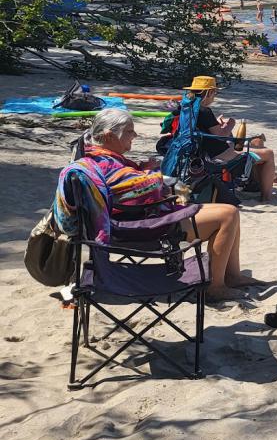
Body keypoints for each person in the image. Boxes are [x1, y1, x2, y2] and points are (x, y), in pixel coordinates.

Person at [65, 109, 249, 300]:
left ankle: (232, 276)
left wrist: (140, 172)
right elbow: (141, 191)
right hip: (138, 228)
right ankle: (215, 287)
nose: (134, 135)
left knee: (231, 212)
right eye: (129, 131)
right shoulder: (106, 164)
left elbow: (123, 187)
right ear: (109, 135)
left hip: (129, 220)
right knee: (227, 215)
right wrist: (154, 178)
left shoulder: (95, 158)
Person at [184, 75, 277, 203]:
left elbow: (204, 128)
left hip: (200, 151)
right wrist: (231, 123)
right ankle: (267, 197)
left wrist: (216, 123)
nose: (215, 96)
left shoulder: (187, 108)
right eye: (215, 92)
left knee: (257, 142)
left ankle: (253, 185)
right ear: (210, 92)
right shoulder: (204, 111)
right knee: (268, 154)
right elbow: (222, 135)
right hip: (217, 154)